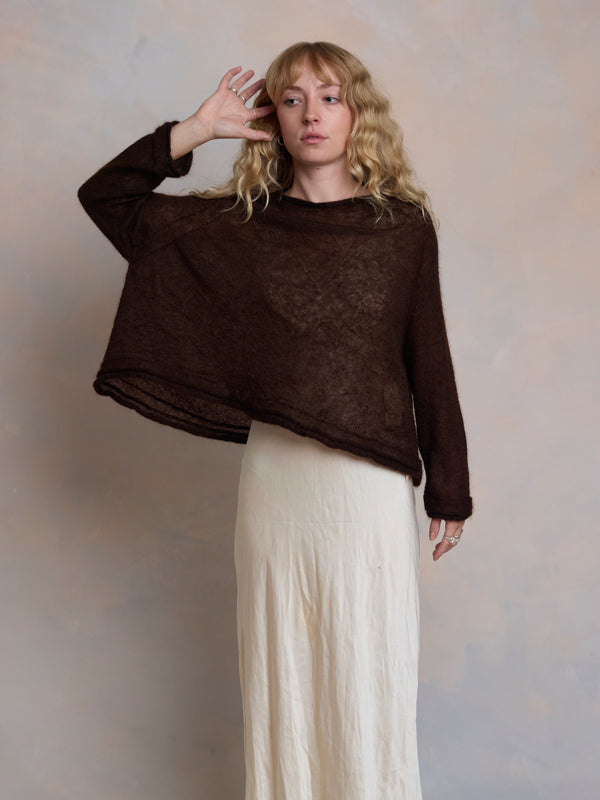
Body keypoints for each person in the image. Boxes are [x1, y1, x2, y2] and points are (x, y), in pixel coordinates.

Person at [78, 41, 472, 800]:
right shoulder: (238, 226)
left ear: (357, 113)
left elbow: (429, 357)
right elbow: (108, 199)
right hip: (278, 483)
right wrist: (194, 131)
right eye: (291, 99)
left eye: (329, 97)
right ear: (272, 120)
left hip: (367, 487)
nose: (310, 114)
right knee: (282, 668)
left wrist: (448, 486)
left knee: (368, 669)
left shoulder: (402, 228)